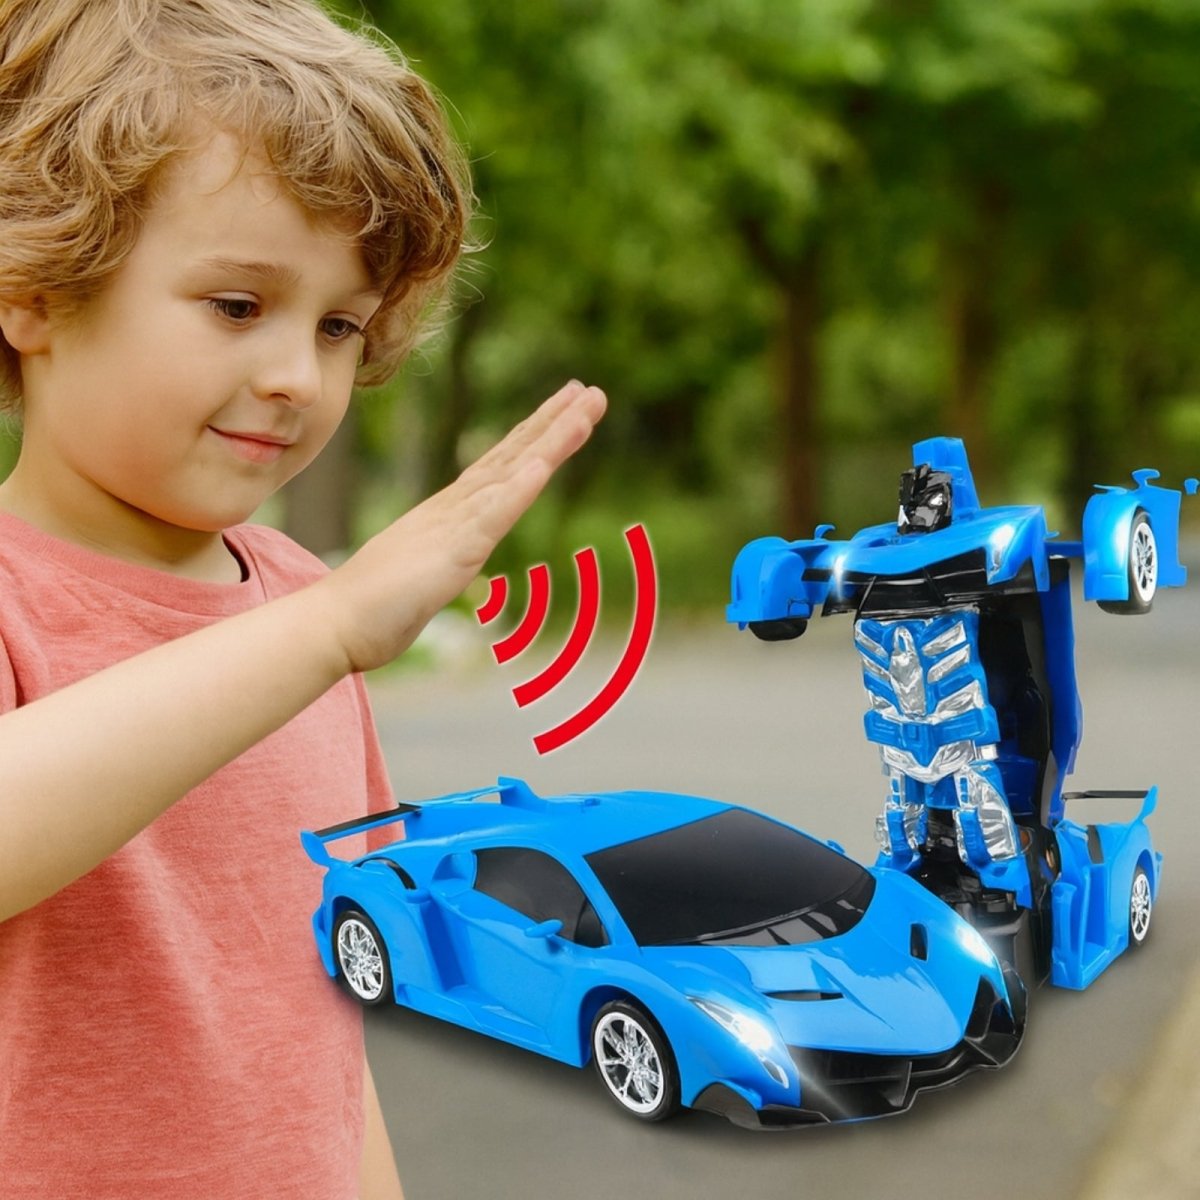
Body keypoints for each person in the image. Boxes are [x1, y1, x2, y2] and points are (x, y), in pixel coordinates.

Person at [0, 2, 606, 1197]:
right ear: (35, 290)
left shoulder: (299, 607)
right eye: (238, 305)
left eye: (340, 326)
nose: (295, 377)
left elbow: (323, 1018)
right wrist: (323, 635)